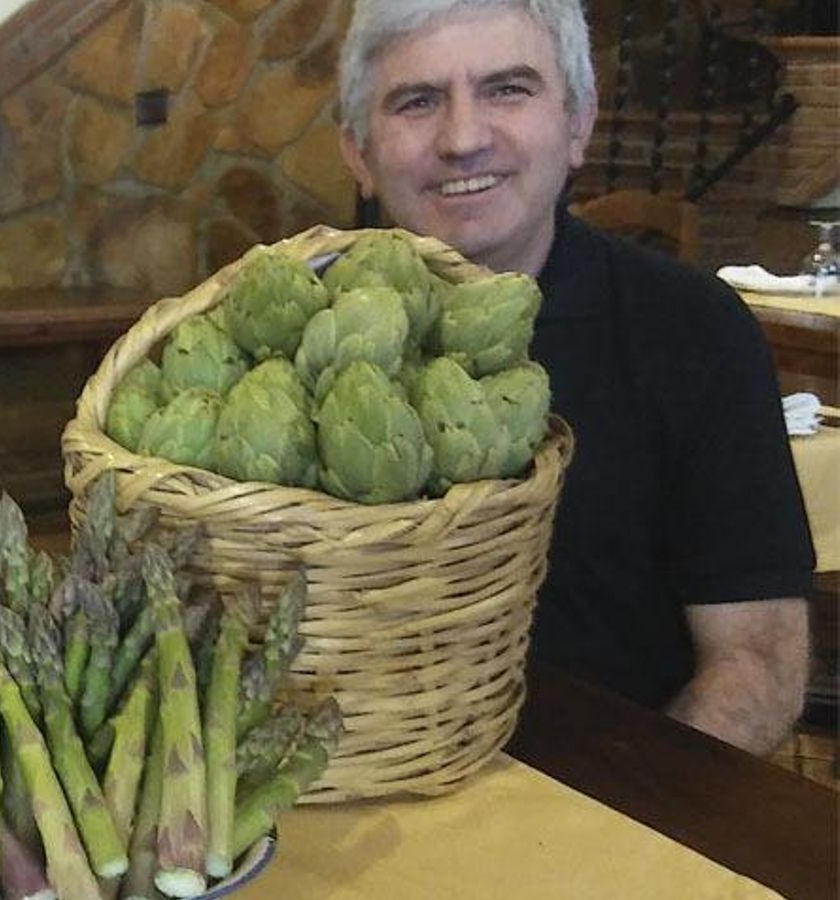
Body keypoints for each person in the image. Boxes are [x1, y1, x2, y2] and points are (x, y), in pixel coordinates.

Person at [336, 0, 814, 754]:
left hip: (611, 802)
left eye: (508, 90)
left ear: (579, 124)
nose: (463, 138)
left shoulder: (694, 333)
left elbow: (758, 664)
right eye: (417, 101)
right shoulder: (290, 339)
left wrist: (629, 833)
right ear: (358, 152)